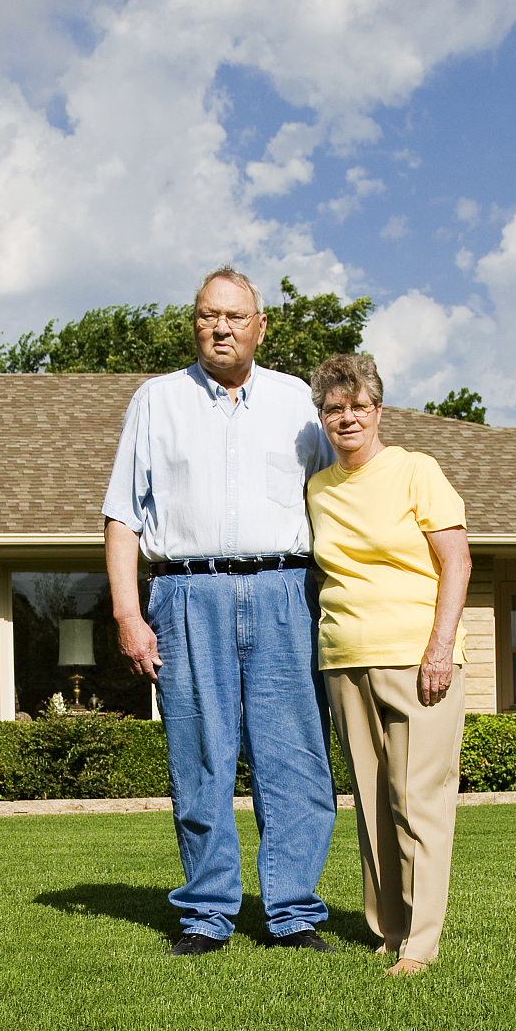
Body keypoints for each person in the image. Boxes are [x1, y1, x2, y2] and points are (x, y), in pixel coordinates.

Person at [103, 266, 337, 957]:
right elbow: (122, 515)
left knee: (295, 760)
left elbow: (336, 499)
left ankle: (292, 912)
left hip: (285, 593)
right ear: (194, 323)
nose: (221, 327)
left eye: (235, 316)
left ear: (260, 326)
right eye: (208, 315)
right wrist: (127, 613)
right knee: (199, 759)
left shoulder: (297, 400)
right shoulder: (156, 401)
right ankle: (207, 913)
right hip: (184, 593)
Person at [306, 352, 472, 976]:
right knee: (373, 802)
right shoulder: (319, 489)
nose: (346, 418)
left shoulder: (415, 471)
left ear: (378, 410)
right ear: (322, 416)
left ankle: (421, 943)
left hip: (415, 657)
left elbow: (457, 562)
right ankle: (388, 930)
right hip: (345, 657)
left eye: (358, 406)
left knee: (418, 799)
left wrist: (439, 647)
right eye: (333, 408)